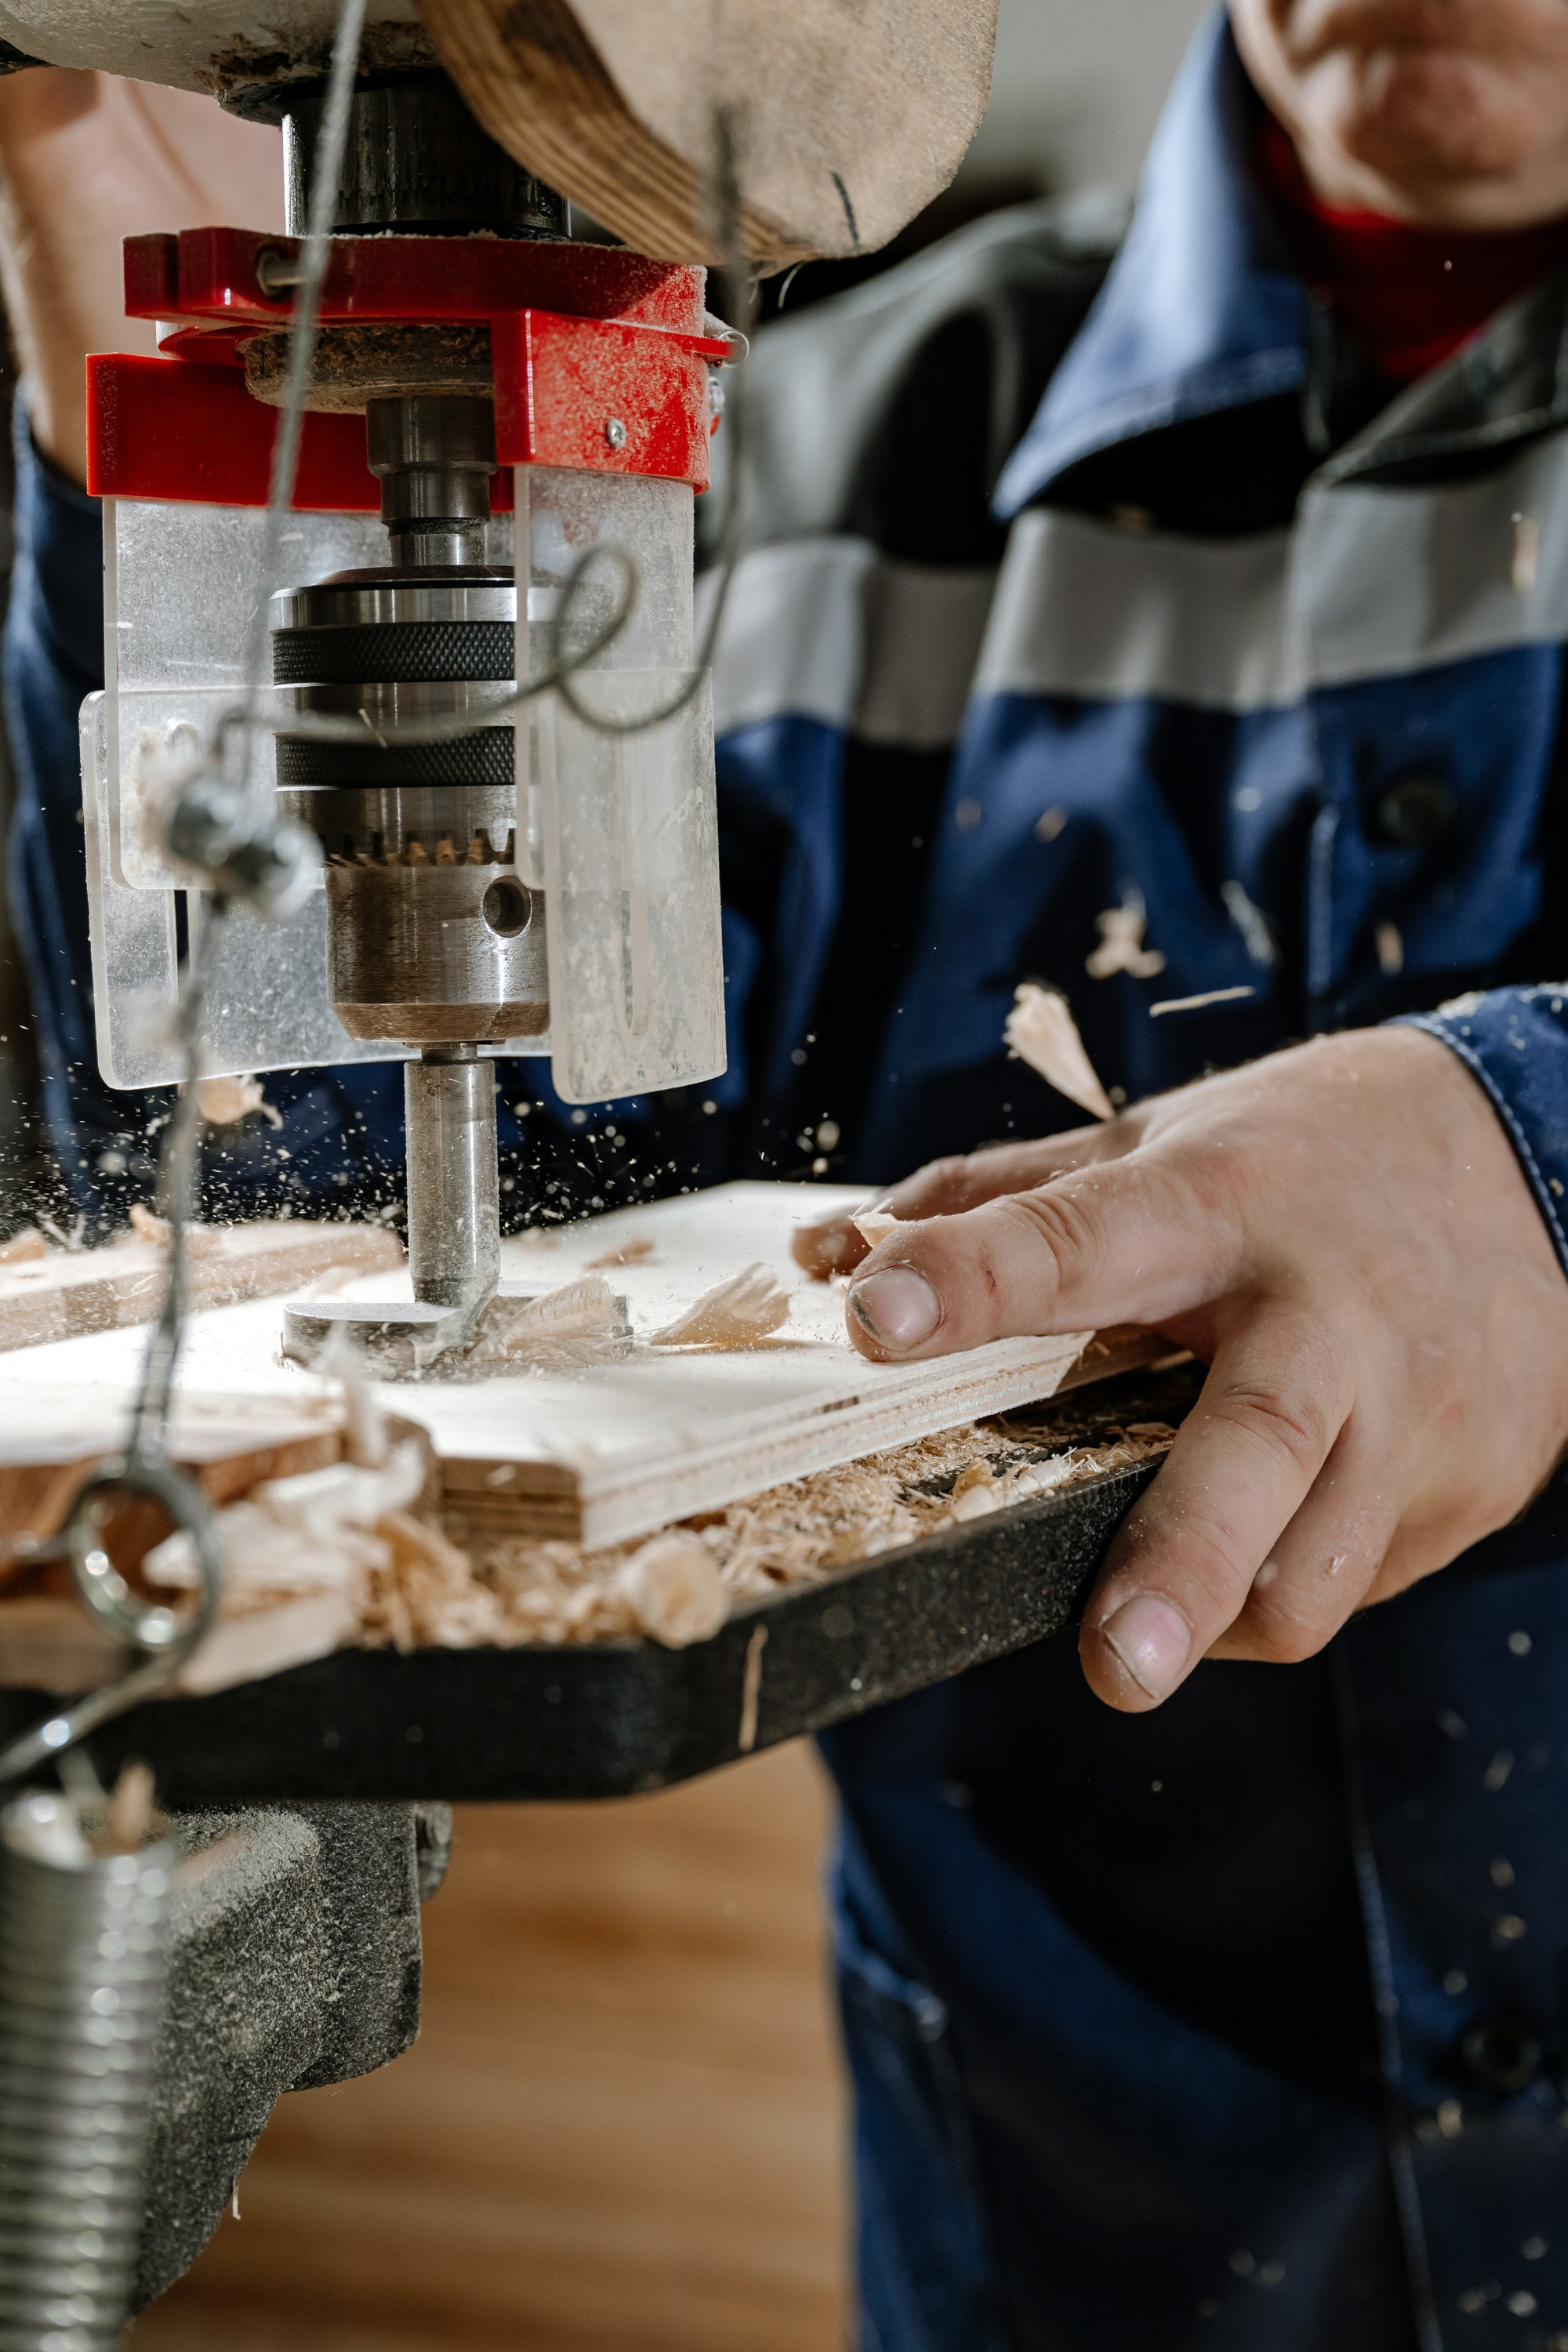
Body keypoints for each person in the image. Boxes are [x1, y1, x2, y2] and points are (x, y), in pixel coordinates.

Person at [4, 6, 1568, 2345]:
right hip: (1086, 2247)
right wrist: (214, 513)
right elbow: (372, 1185)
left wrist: (1532, 1149)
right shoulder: (834, 442)